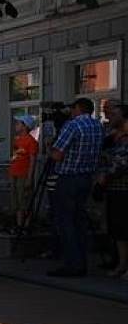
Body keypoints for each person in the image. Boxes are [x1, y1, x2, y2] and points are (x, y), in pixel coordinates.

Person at [47, 97, 104, 277]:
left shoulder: (72, 126)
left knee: (66, 222)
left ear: (79, 108)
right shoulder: (98, 126)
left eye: (73, 108)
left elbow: (57, 155)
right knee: (79, 221)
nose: (71, 111)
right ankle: (82, 262)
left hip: (68, 178)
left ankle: (73, 264)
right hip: (86, 178)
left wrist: (50, 146)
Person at [94, 104, 128, 279]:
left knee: (124, 228)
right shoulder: (111, 136)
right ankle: (121, 264)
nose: (109, 117)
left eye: (114, 114)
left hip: (124, 187)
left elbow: (122, 163)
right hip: (113, 188)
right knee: (118, 230)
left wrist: (107, 174)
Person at [8, 114, 39, 234]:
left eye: (19, 123)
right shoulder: (17, 140)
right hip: (15, 174)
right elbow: (14, 159)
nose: (16, 125)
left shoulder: (31, 141)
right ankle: (18, 226)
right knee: (16, 202)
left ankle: (26, 226)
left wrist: (29, 178)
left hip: (24, 175)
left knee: (25, 201)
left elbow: (32, 160)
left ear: (25, 126)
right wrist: (10, 174)